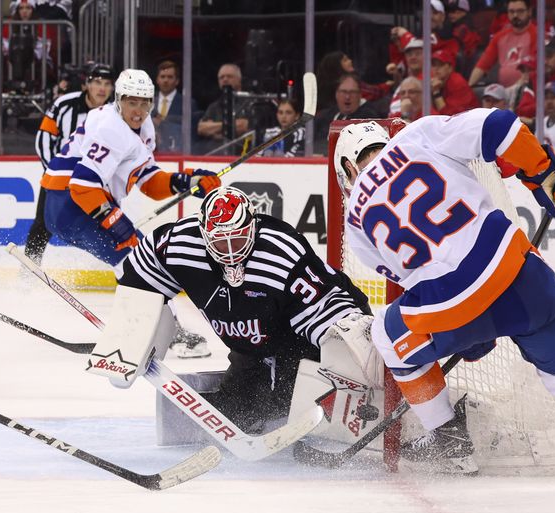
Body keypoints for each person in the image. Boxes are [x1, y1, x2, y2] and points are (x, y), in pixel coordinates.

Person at [332, 113, 555, 484]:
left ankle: (448, 440)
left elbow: (413, 281)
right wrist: (543, 171)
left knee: (387, 336)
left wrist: (468, 332)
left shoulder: (356, 221)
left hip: (455, 305)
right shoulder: (418, 135)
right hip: (521, 271)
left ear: (349, 166)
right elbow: (500, 127)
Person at [116, 186, 372, 432]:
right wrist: (128, 337)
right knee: (236, 412)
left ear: (252, 228)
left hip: (301, 333)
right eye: (219, 243)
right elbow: (138, 278)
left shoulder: (281, 253)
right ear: (203, 234)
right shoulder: (179, 244)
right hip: (252, 346)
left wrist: (350, 355)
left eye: (237, 241)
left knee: (286, 405)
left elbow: (327, 309)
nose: (230, 252)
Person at [38, 69, 221, 267]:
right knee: (138, 264)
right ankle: (137, 295)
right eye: (132, 103)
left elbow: (150, 182)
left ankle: (139, 295)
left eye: (145, 103)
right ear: (118, 100)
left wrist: (187, 182)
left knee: (147, 258)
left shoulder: (143, 125)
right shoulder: (110, 127)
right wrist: (114, 220)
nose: (139, 111)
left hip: (88, 203)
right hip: (70, 205)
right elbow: (82, 185)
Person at [25, 63, 114, 264]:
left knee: (110, 227)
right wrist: (55, 173)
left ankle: (125, 274)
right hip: (59, 179)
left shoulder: (115, 113)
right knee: (42, 225)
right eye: (98, 82)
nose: (102, 88)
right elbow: (44, 139)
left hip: (94, 182)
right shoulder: (64, 104)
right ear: (87, 84)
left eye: (107, 84)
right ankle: (29, 273)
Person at [468, 0, 540, 88]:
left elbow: (532, 71)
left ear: (529, 12)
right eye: (511, 11)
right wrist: (469, 86)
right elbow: (481, 66)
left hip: (527, 88)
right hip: (503, 92)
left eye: (520, 11)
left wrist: (514, 90)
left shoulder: (537, 35)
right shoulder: (499, 37)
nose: (515, 15)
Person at [313, 73, 379, 154]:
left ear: (360, 95)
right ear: (336, 94)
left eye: (352, 92)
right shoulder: (324, 116)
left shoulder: (368, 118)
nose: (347, 97)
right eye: (343, 92)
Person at [196, 64, 251, 154]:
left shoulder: (249, 102)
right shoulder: (214, 106)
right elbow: (202, 128)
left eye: (229, 76)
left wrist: (215, 128)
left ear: (239, 80)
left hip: (242, 153)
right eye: (221, 77)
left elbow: (243, 126)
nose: (225, 79)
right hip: (214, 153)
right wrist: (230, 127)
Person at [152, 60, 198, 153]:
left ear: (177, 81)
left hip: (176, 153)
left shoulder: (188, 103)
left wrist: (163, 122)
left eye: (170, 77)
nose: (165, 80)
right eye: (162, 77)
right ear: (157, 80)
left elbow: (190, 131)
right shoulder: (148, 101)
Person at [430, 49, 479, 115]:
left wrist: (436, 92)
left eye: (441, 65)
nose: (436, 68)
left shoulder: (457, 83)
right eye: (434, 65)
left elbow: (449, 116)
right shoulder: (431, 81)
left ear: (450, 68)